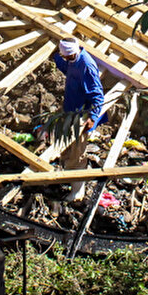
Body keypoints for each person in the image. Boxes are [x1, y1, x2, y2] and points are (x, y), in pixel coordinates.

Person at [52, 38, 105, 198]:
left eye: (68, 58)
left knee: (77, 153)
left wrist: (93, 117)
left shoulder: (86, 65)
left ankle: (77, 191)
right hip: (70, 111)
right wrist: (56, 57)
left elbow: (98, 95)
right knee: (66, 149)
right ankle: (67, 178)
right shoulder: (72, 59)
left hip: (83, 116)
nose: (67, 60)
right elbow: (68, 70)